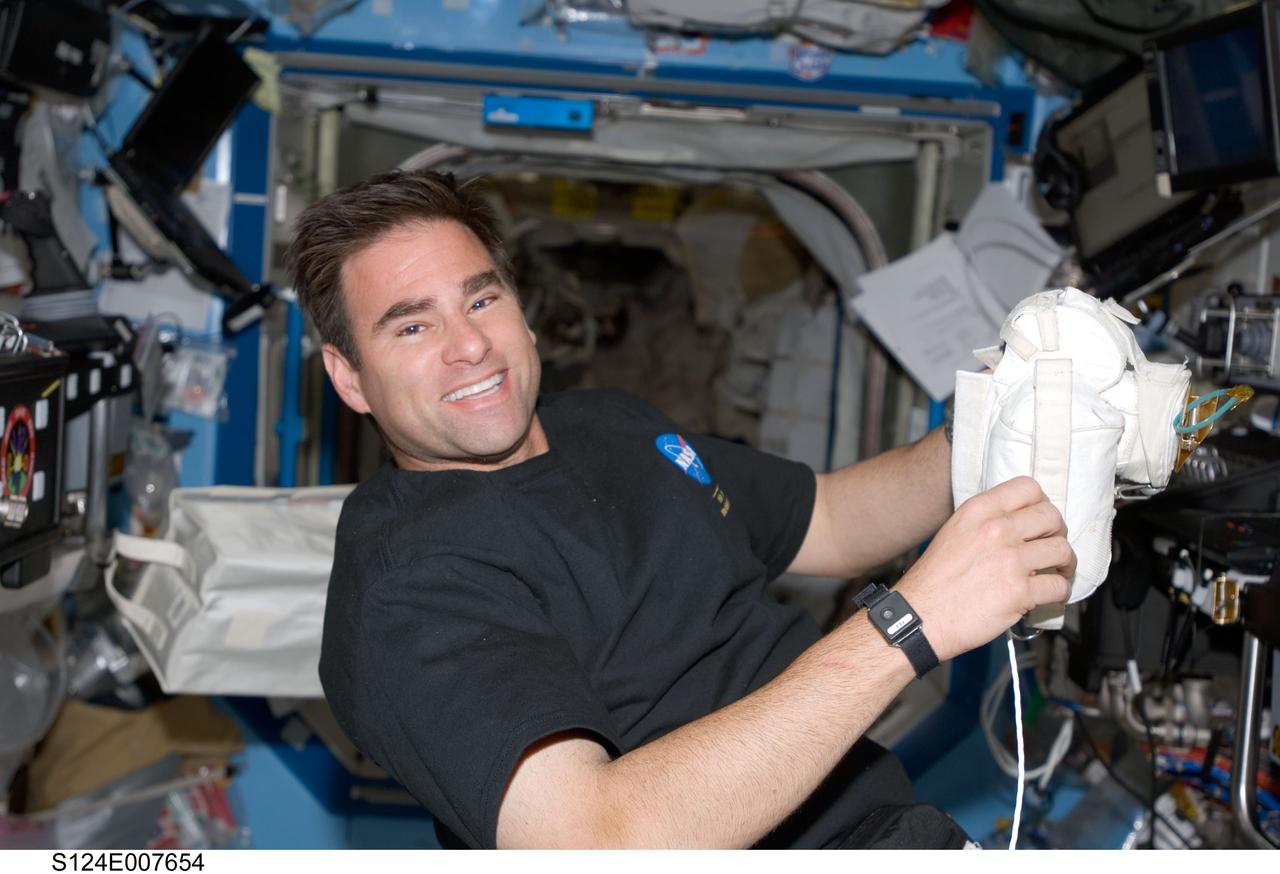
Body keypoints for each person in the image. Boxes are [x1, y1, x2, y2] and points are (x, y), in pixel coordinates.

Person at [287, 168, 1076, 849]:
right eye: (413, 325)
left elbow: (829, 519)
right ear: (350, 377)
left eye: (481, 300)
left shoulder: (605, 425)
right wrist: (910, 623)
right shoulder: (403, 585)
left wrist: (988, 429)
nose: (468, 345)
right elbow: (592, 838)